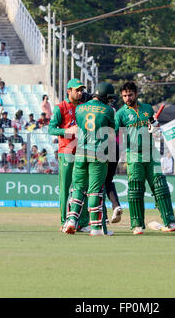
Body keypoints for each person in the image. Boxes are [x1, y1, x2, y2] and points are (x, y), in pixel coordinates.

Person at [115, 81, 175, 235]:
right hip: (134, 155)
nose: (127, 98)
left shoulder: (147, 108)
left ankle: (170, 221)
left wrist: (155, 127)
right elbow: (115, 134)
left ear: (136, 94)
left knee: (160, 186)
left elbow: (156, 131)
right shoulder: (121, 114)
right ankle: (137, 225)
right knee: (136, 188)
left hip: (152, 154)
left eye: (130, 94)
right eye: (124, 96)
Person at [62, 82, 116, 236]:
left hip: (80, 152)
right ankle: (96, 228)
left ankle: (71, 220)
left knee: (77, 188)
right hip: (98, 154)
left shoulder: (79, 108)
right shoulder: (108, 110)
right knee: (94, 192)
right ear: (104, 96)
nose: (110, 101)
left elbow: (80, 127)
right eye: (109, 98)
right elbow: (111, 132)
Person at [49, 78, 90, 232]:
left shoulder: (84, 107)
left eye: (81, 90)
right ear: (69, 91)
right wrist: (67, 131)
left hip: (82, 151)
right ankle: (65, 220)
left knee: (82, 187)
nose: (80, 93)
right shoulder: (60, 107)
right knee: (66, 188)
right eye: (77, 90)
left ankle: (83, 222)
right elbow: (51, 129)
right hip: (66, 152)